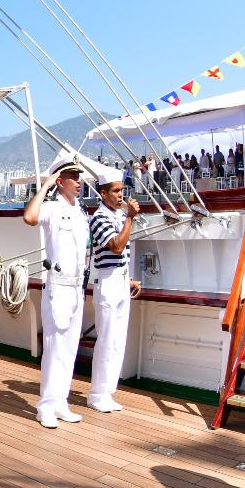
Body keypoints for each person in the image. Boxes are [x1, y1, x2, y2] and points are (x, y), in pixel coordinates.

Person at [22, 151, 94, 428]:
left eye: (79, 177)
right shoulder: (51, 208)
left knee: (69, 348)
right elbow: (29, 217)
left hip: (77, 287)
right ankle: (46, 406)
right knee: (54, 348)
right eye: (73, 177)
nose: (79, 181)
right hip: (58, 287)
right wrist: (45, 186)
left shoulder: (80, 211)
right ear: (60, 181)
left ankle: (61, 402)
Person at [88, 176, 140, 413]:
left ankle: (107, 391)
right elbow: (116, 246)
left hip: (119, 280)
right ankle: (97, 393)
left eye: (121, 190)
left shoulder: (118, 216)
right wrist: (130, 217)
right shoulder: (99, 218)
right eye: (116, 191)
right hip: (107, 282)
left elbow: (121, 255)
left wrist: (128, 278)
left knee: (118, 340)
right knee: (106, 339)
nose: (120, 195)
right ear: (103, 193)